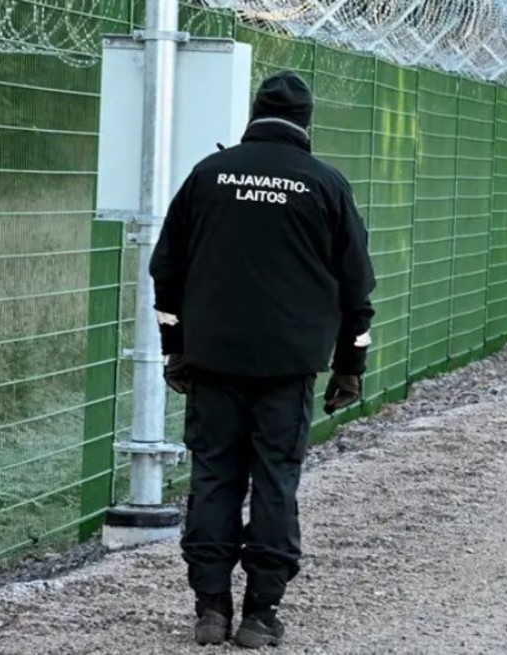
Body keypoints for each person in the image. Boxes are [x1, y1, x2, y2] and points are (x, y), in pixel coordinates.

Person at [149, 70, 376, 647]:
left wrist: (175, 348)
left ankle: (210, 608)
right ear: (306, 123)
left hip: (213, 357)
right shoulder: (325, 184)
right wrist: (350, 364)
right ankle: (260, 612)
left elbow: (166, 269)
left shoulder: (209, 175)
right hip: (288, 364)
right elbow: (357, 284)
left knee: (214, 474)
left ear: (254, 114)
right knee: (276, 478)